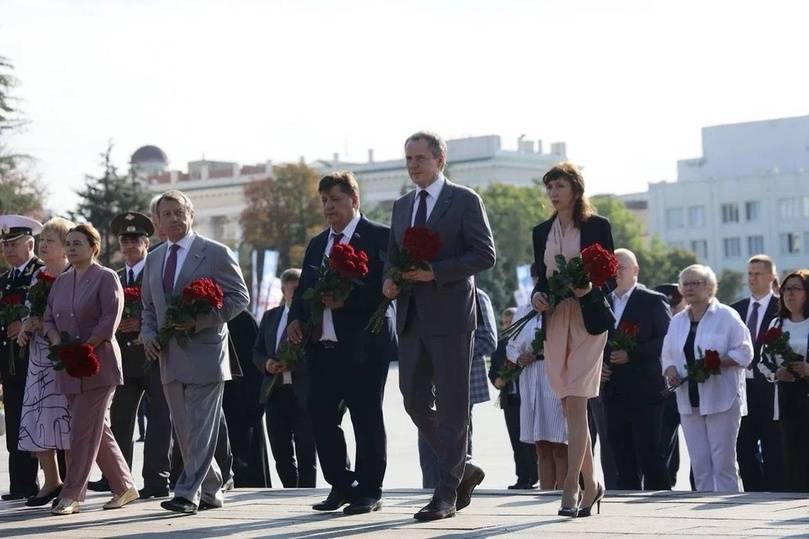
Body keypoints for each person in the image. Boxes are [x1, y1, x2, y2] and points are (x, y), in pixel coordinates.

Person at [383, 131, 496, 521]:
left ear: (439, 159)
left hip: (450, 316)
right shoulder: (401, 206)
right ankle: (462, 468)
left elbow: (485, 254)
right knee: (413, 398)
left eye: (420, 158)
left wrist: (437, 273)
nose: (413, 165)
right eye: (408, 158)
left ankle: (445, 493)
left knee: (451, 404)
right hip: (411, 315)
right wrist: (390, 279)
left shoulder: (464, 200)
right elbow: (393, 256)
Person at [287, 171, 396, 515]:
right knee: (318, 413)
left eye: (335, 199)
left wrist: (347, 301)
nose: (328, 207)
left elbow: (387, 291)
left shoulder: (379, 238)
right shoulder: (318, 244)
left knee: (366, 418)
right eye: (324, 201)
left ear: (354, 199)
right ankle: (341, 482)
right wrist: (294, 318)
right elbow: (304, 290)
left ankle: (369, 489)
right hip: (322, 347)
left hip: (364, 347)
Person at [141, 190, 250, 514]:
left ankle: (187, 493)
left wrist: (199, 321)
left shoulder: (215, 253)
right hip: (169, 355)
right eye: (167, 213)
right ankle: (212, 489)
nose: (174, 218)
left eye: (179, 211)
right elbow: (147, 307)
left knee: (200, 427)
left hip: (205, 352)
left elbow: (239, 298)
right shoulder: (155, 258)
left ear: (191, 214)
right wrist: (148, 335)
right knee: (185, 429)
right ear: (158, 222)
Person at [531, 162, 613, 516]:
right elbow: (541, 278)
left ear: (575, 189)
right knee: (568, 404)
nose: (553, 193)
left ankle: (571, 487)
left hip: (587, 320)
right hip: (556, 320)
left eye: (559, 186)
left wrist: (587, 286)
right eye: (549, 187)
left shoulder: (597, 226)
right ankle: (593, 484)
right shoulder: (540, 231)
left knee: (577, 401)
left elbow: (608, 276)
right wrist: (538, 296)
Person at [44, 224, 138, 514]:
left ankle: (72, 494)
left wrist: (85, 347)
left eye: (78, 243)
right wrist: (59, 342)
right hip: (69, 367)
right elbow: (48, 319)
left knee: (82, 430)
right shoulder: (61, 281)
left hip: (99, 365)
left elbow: (109, 320)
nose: (71, 248)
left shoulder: (106, 277)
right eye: (69, 243)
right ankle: (124, 487)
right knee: (98, 429)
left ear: (93, 247)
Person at [88, 212, 173, 500]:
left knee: (161, 418)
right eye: (124, 240)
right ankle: (118, 478)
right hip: (123, 358)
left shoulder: (158, 272)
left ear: (147, 242)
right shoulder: (115, 277)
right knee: (121, 419)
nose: (129, 245)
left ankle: (157, 478)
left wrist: (142, 323)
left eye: (135, 239)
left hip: (154, 354)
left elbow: (170, 309)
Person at [662, 264, 753, 492]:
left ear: (710, 287)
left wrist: (717, 361)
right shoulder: (678, 320)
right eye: (686, 283)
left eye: (696, 283)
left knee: (723, 462)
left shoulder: (727, 316)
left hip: (721, 398)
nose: (689, 288)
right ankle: (702, 505)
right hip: (688, 399)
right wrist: (670, 370)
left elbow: (745, 352)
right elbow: (668, 354)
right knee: (700, 462)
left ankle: (727, 505)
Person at [601, 249, 671, 490]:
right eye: (613, 267)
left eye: (622, 267)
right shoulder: (603, 301)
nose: (617, 272)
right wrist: (598, 366)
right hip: (613, 390)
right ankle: (627, 499)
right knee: (620, 452)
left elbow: (667, 341)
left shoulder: (652, 300)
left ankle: (660, 498)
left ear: (636, 270)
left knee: (650, 452)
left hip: (646, 390)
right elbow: (591, 342)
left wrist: (632, 353)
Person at [16, 217, 74, 507]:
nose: (43, 245)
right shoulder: (38, 276)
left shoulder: (73, 275)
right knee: (38, 419)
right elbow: (30, 309)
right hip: (38, 359)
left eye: (50, 241)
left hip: (63, 357)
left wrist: (45, 323)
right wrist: (27, 327)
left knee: (65, 419)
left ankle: (73, 484)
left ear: (66, 247)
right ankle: (51, 482)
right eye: (42, 241)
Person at [418, 288, 496, 489]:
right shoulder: (426, 295)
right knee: (427, 439)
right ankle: (430, 489)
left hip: (461, 381)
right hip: (430, 381)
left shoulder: (477, 296)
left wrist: (451, 356)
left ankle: (458, 487)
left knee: (457, 433)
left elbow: (488, 340)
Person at [252, 268, 316, 488]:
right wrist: (267, 364)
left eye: (301, 290)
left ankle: (307, 491)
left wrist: (297, 364)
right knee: (280, 449)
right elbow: (257, 351)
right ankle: (289, 489)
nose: (297, 294)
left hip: (303, 393)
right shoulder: (271, 317)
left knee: (306, 447)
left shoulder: (312, 318)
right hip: (275, 393)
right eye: (293, 290)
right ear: (283, 291)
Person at [0, 215, 44, 500]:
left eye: (13, 244)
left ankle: (53, 480)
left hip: (35, 358)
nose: (8, 250)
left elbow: (47, 309)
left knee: (40, 422)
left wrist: (26, 321)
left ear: (30, 243)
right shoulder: (4, 280)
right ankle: (21, 484)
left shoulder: (41, 274)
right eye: (4, 245)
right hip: (10, 362)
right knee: (16, 421)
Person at [731, 255, 783, 492]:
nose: (753, 278)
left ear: (771, 277)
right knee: (743, 447)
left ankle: (772, 491)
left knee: (773, 445)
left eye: (758, 274)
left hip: (772, 389)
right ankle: (752, 491)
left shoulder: (782, 308)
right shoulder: (736, 310)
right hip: (742, 389)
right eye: (750, 274)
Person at [506, 301, 567, 490]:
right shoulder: (524, 310)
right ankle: (546, 491)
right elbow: (511, 345)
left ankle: (565, 491)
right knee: (540, 443)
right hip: (530, 376)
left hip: (554, 373)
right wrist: (518, 357)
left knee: (559, 441)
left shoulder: (562, 305)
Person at [758, 270, 809, 492]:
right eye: (786, 289)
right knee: (791, 452)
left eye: (796, 289)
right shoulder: (777, 324)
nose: (790, 294)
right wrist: (776, 372)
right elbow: (763, 361)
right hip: (787, 397)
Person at [488, 306, 538, 489]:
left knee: (531, 439)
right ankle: (522, 477)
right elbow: (493, 370)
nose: (508, 325)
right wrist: (497, 380)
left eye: (512, 322)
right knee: (516, 440)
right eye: (505, 323)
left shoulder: (526, 343)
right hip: (510, 399)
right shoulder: (500, 346)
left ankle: (535, 475)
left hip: (528, 397)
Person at [223, 308, 272, 488]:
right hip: (224, 399)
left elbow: (255, 365)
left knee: (250, 461)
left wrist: (256, 404)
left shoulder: (244, 319)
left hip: (244, 402)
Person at [654, 282, 686, 488]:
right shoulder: (656, 322)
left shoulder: (688, 322)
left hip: (688, 390)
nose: (672, 310)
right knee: (663, 443)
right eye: (669, 306)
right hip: (663, 392)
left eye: (675, 305)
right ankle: (667, 483)